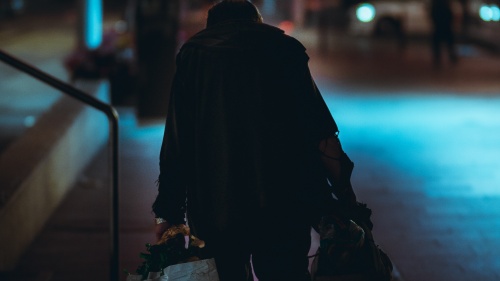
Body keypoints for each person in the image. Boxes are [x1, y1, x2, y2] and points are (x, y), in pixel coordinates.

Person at [152, 1, 358, 280]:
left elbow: (177, 143)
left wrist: (168, 213)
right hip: (285, 203)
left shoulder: (194, 55)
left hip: (216, 207)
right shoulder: (287, 50)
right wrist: (344, 194)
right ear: (257, 22)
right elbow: (321, 135)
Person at [429, 0, 458, 67]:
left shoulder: (437, 6)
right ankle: (449, 58)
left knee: (440, 45)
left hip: (440, 27)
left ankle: (439, 59)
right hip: (444, 27)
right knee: (448, 44)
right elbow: (450, 16)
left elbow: (433, 15)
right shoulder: (444, 6)